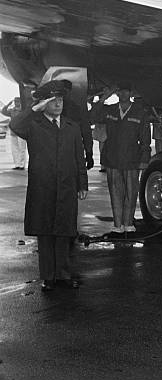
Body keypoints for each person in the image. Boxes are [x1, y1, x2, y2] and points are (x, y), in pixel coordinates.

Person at [10, 80, 88, 291]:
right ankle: (48, 277)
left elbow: (78, 157)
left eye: (60, 100)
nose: (58, 104)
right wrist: (34, 107)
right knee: (45, 233)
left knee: (64, 232)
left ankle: (63, 275)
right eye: (53, 101)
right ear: (45, 103)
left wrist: (82, 184)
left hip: (66, 187)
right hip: (42, 188)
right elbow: (14, 125)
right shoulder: (33, 126)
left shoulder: (72, 127)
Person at [90, 82, 151, 233]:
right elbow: (92, 116)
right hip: (112, 158)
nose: (123, 94)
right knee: (115, 193)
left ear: (131, 93)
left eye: (126, 92)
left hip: (132, 159)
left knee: (131, 193)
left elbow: (145, 139)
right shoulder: (109, 110)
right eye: (121, 92)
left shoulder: (140, 112)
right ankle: (118, 225)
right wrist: (103, 98)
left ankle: (128, 223)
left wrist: (144, 160)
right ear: (117, 94)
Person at [1, 97, 27, 169]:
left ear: (20, 102)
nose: (16, 103)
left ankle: (22, 165)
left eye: (18, 101)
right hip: (13, 132)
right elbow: (3, 111)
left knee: (22, 149)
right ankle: (17, 164)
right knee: (14, 149)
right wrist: (8, 104)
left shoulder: (23, 110)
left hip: (21, 132)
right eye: (15, 101)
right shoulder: (12, 110)